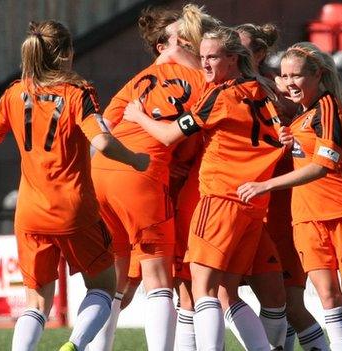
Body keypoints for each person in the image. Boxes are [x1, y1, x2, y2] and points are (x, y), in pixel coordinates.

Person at [0, 20, 148, 351]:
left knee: (36, 303)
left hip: (29, 213)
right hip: (74, 210)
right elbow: (104, 142)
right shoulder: (78, 92)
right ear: (66, 54)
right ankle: (74, 346)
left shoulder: (13, 93)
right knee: (103, 288)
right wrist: (136, 160)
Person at [123, 26, 284, 351]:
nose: (205, 64)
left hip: (221, 198)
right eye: (202, 56)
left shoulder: (219, 96)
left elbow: (169, 135)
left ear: (234, 58)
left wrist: (137, 116)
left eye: (212, 57)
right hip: (252, 203)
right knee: (226, 291)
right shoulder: (264, 91)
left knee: (203, 289)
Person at [237, 42, 342, 351]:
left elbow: (323, 166)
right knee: (329, 300)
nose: (289, 83)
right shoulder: (300, 118)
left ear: (318, 75)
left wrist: (265, 186)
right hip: (306, 220)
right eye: (285, 76)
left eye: (297, 76)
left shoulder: (329, 107)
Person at [88, 6, 207, 351]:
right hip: (141, 175)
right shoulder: (202, 79)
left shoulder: (136, 80)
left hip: (102, 173)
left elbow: (105, 130)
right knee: (159, 281)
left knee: (113, 280)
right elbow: (203, 135)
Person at [234, 23, 329, 351]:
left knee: (288, 302)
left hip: (280, 204)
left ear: (258, 54)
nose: (234, 51)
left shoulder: (278, 94)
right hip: (246, 203)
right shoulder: (229, 90)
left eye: (241, 47)